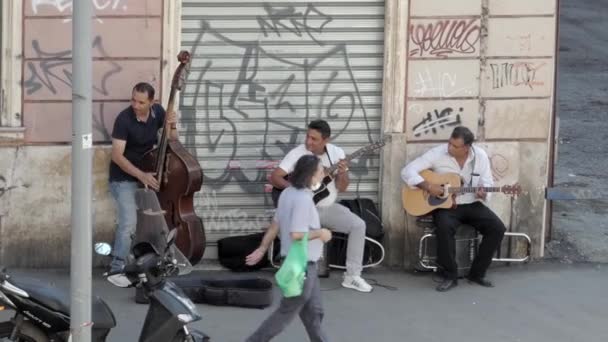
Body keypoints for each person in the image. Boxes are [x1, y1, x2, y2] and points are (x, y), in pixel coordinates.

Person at [246, 120, 373, 293]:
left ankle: (352, 276)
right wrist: (297, 190)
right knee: (297, 235)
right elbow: (275, 177)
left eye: (314, 139)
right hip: (303, 208)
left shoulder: (337, 153)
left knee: (358, 225)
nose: (308, 142)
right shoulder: (297, 154)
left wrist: (342, 173)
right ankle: (296, 271)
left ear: (326, 140)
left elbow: (342, 187)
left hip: (326, 207)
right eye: (307, 137)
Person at [401, 126, 506, 292]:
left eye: (454, 146)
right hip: (447, 207)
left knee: (497, 228)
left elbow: (487, 183)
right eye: (449, 143)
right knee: (443, 227)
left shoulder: (480, 156)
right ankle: (450, 276)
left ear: (466, 147)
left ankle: (477, 274)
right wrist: (428, 185)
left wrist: (483, 193)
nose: (449, 147)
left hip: (471, 204)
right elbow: (407, 171)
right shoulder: (437, 153)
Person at [246, 155, 332, 342]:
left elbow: (275, 224)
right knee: (286, 313)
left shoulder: (288, 193)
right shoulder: (302, 199)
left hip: (306, 266)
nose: (323, 174)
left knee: (314, 314)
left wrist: (262, 248)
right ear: (310, 175)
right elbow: (297, 235)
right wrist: (321, 233)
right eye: (320, 171)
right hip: (301, 266)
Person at [107, 82, 178, 274]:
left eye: (141, 102)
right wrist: (141, 175)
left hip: (148, 174)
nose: (135, 105)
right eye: (133, 100)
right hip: (123, 178)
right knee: (129, 221)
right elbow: (117, 156)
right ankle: (117, 267)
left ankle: (163, 260)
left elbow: (173, 140)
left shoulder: (158, 112)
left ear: (152, 102)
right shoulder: (124, 119)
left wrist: (172, 125)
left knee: (157, 222)